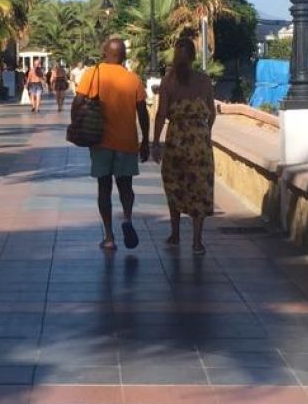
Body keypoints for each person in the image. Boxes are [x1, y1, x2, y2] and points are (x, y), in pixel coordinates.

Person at [75, 38, 150, 250]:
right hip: (127, 141)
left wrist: (75, 125)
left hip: (100, 141)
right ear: (124, 56)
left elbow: (79, 101)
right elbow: (142, 112)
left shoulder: (93, 73)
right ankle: (127, 218)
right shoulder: (133, 79)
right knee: (126, 186)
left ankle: (109, 236)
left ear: (104, 53)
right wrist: (145, 140)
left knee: (104, 187)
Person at [152, 37, 216, 254]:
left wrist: (155, 142)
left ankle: (175, 233)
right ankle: (197, 241)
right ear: (193, 56)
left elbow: (161, 114)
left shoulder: (168, 81)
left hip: (177, 138)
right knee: (199, 186)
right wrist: (203, 131)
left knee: (174, 184)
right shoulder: (204, 80)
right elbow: (212, 113)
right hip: (199, 140)